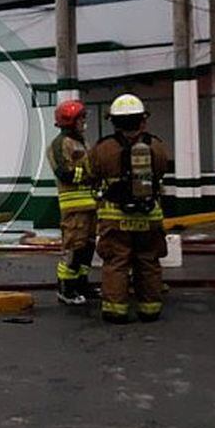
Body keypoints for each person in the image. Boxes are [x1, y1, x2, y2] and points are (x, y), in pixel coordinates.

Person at [87, 94, 170, 324]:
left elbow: (90, 173)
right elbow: (162, 170)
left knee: (116, 262)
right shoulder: (157, 146)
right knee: (148, 261)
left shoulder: (103, 148)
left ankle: (116, 310)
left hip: (115, 217)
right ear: (142, 121)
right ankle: (150, 309)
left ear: (114, 122)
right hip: (150, 215)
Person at [47, 99, 97, 305]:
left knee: (87, 248)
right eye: (80, 118)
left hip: (91, 205)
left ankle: (82, 284)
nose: (83, 122)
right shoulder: (59, 144)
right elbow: (65, 173)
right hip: (74, 207)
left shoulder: (82, 142)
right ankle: (66, 289)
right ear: (69, 121)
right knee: (74, 249)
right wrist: (90, 175)